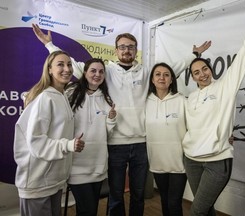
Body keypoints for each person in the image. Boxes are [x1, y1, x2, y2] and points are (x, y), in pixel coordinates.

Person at [31, 23, 211, 216]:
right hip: (115, 144)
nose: (127, 50)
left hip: (141, 143)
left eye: (131, 47)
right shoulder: (106, 71)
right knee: (116, 194)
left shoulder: (145, 72)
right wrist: (50, 46)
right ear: (116, 50)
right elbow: (74, 67)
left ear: (136, 51)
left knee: (138, 193)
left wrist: (194, 54)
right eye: (123, 47)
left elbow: (172, 68)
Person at [183, 11, 245, 216]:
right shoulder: (191, 98)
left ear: (210, 70)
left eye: (205, 69)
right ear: (193, 78)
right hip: (191, 160)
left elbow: (244, 55)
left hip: (216, 161)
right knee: (205, 208)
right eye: (197, 72)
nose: (202, 74)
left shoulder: (225, 87)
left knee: (196, 211)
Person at [13, 50, 85, 216]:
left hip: (53, 180)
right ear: (49, 69)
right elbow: (36, 141)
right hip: (37, 182)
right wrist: (68, 144)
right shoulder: (45, 98)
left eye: (69, 64)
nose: (67, 69)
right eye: (60, 64)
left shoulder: (61, 96)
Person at [65, 58, 117, 215]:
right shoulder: (70, 92)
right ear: (85, 73)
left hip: (99, 166)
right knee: (88, 210)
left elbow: (108, 133)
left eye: (101, 71)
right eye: (93, 71)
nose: (97, 74)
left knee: (89, 210)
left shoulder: (107, 99)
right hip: (76, 166)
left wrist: (111, 120)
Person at [146, 62, 187, 216]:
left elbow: (196, 126)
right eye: (158, 74)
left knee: (174, 203)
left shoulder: (182, 100)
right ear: (152, 79)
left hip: (178, 163)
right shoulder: (146, 101)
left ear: (172, 79)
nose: (162, 77)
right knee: (164, 199)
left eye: (166, 74)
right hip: (157, 161)